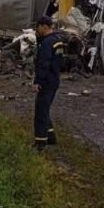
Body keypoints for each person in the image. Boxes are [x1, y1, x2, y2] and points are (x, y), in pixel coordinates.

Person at [32, 15, 65, 151]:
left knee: (40, 112)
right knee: (45, 109)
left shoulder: (46, 43)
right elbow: (60, 62)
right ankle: (51, 137)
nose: (36, 30)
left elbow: (43, 64)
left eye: (38, 27)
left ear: (44, 26)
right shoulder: (57, 40)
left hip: (46, 82)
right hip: (54, 80)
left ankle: (40, 143)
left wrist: (37, 81)